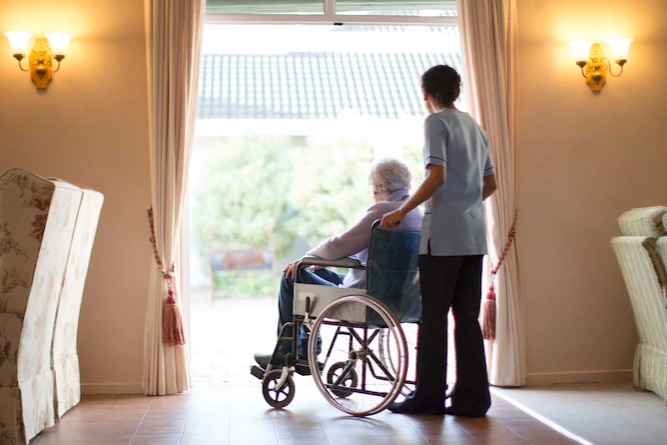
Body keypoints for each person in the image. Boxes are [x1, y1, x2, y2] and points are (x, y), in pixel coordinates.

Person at [380, 65, 497, 417]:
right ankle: (472, 399)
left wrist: (402, 211)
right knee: (467, 318)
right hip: (473, 236)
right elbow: (490, 184)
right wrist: (466, 205)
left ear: (425, 93)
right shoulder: (476, 128)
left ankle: (428, 397)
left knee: (433, 318)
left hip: (443, 238)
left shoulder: (436, 122)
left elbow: (438, 175)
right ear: (457, 91)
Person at [254, 157, 423, 374]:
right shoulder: (418, 215)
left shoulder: (383, 211)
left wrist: (308, 258)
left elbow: (342, 244)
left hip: (365, 298)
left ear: (379, 188)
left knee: (293, 275)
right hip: (399, 300)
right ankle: (304, 350)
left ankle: (291, 352)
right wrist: (315, 265)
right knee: (319, 272)